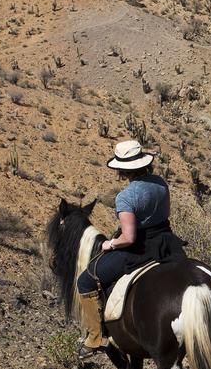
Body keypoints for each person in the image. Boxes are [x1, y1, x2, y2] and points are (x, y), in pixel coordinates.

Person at [76, 140, 183, 357]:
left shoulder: (125, 197)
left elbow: (129, 237)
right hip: (166, 242)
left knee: (86, 280)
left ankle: (95, 338)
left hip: (139, 249)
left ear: (122, 170)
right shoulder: (161, 183)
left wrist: (110, 243)